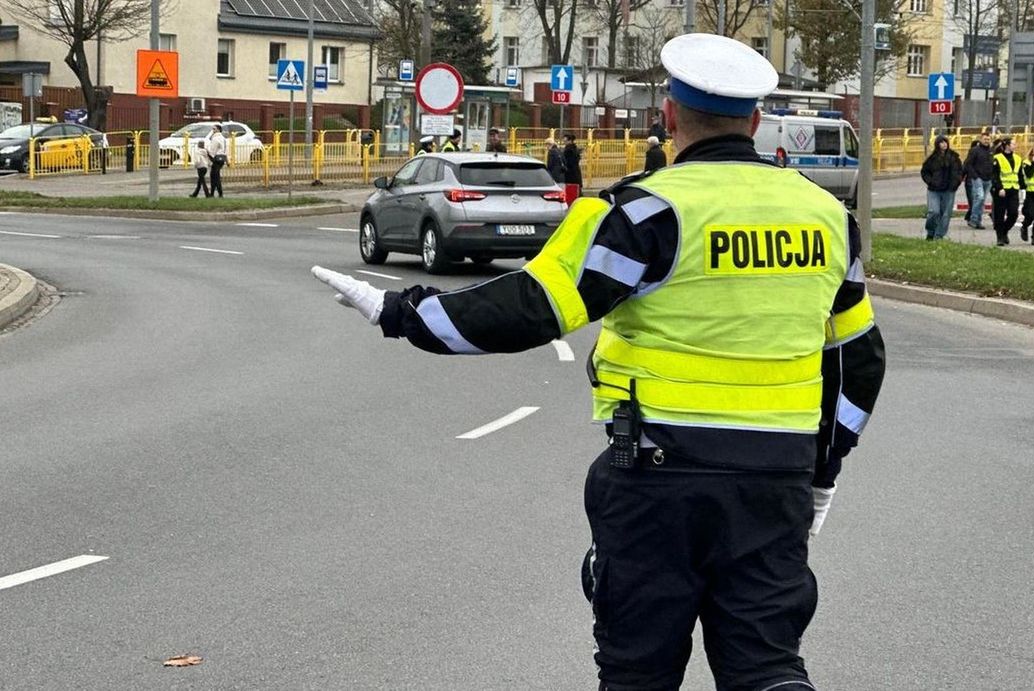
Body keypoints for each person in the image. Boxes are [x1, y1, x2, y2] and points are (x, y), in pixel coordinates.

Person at [311, 32, 885, 690]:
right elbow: (859, 361)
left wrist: (402, 313)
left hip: (656, 476)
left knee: (637, 670)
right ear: (755, 121)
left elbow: (534, 306)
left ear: (668, 116)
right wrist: (822, 471)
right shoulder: (826, 219)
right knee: (767, 667)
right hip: (772, 481)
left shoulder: (644, 212)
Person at [920, 135, 963, 240]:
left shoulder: (954, 157)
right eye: (942, 142)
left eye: (946, 142)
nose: (944, 144)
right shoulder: (932, 158)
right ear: (937, 144)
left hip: (949, 190)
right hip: (934, 190)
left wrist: (956, 183)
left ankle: (939, 235)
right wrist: (930, 182)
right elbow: (925, 172)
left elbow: (959, 171)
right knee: (933, 212)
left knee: (945, 214)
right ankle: (930, 231)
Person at [990, 137, 1024, 246]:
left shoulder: (1018, 158)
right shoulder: (997, 158)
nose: (1016, 145)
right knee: (999, 215)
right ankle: (999, 237)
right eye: (1013, 143)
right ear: (1007, 145)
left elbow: (1019, 175)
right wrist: (999, 188)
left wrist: (1024, 186)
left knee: (1013, 213)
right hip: (1001, 191)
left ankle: (1004, 231)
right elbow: (994, 175)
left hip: (1013, 189)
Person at [963, 132, 993, 229]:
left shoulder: (992, 151)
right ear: (981, 139)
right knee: (979, 197)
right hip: (977, 178)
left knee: (982, 201)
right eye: (985, 139)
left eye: (988, 139)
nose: (986, 141)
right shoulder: (975, 150)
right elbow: (968, 164)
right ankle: (973, 219)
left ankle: (978, 222)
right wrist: (974, 176)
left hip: (988, 179)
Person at [206, 124, 227, 198]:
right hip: (222, 158)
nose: (213, 130)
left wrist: (208, 154)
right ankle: (215, 193)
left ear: (218, 130)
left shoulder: (215, 138)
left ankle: (218, 194)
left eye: (214, 129)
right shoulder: (223, 138)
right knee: (216, 175)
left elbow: (212, 150)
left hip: (216, 159)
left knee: (214, 177)